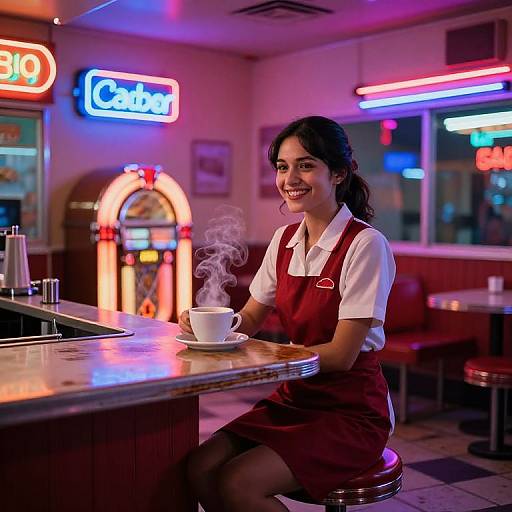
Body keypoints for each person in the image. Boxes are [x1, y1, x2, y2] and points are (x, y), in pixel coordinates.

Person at [179, 115, 396, 512]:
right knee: (199, 465)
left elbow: (341, 355)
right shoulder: (283, 241)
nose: (290, 178)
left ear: (338, 174)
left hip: (351, 411)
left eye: (306, 165)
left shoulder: (366, 244)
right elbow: (249, 318)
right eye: (282, 167)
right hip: (297, 398)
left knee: (238, 482)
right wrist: (211, 326)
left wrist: (261, 354)